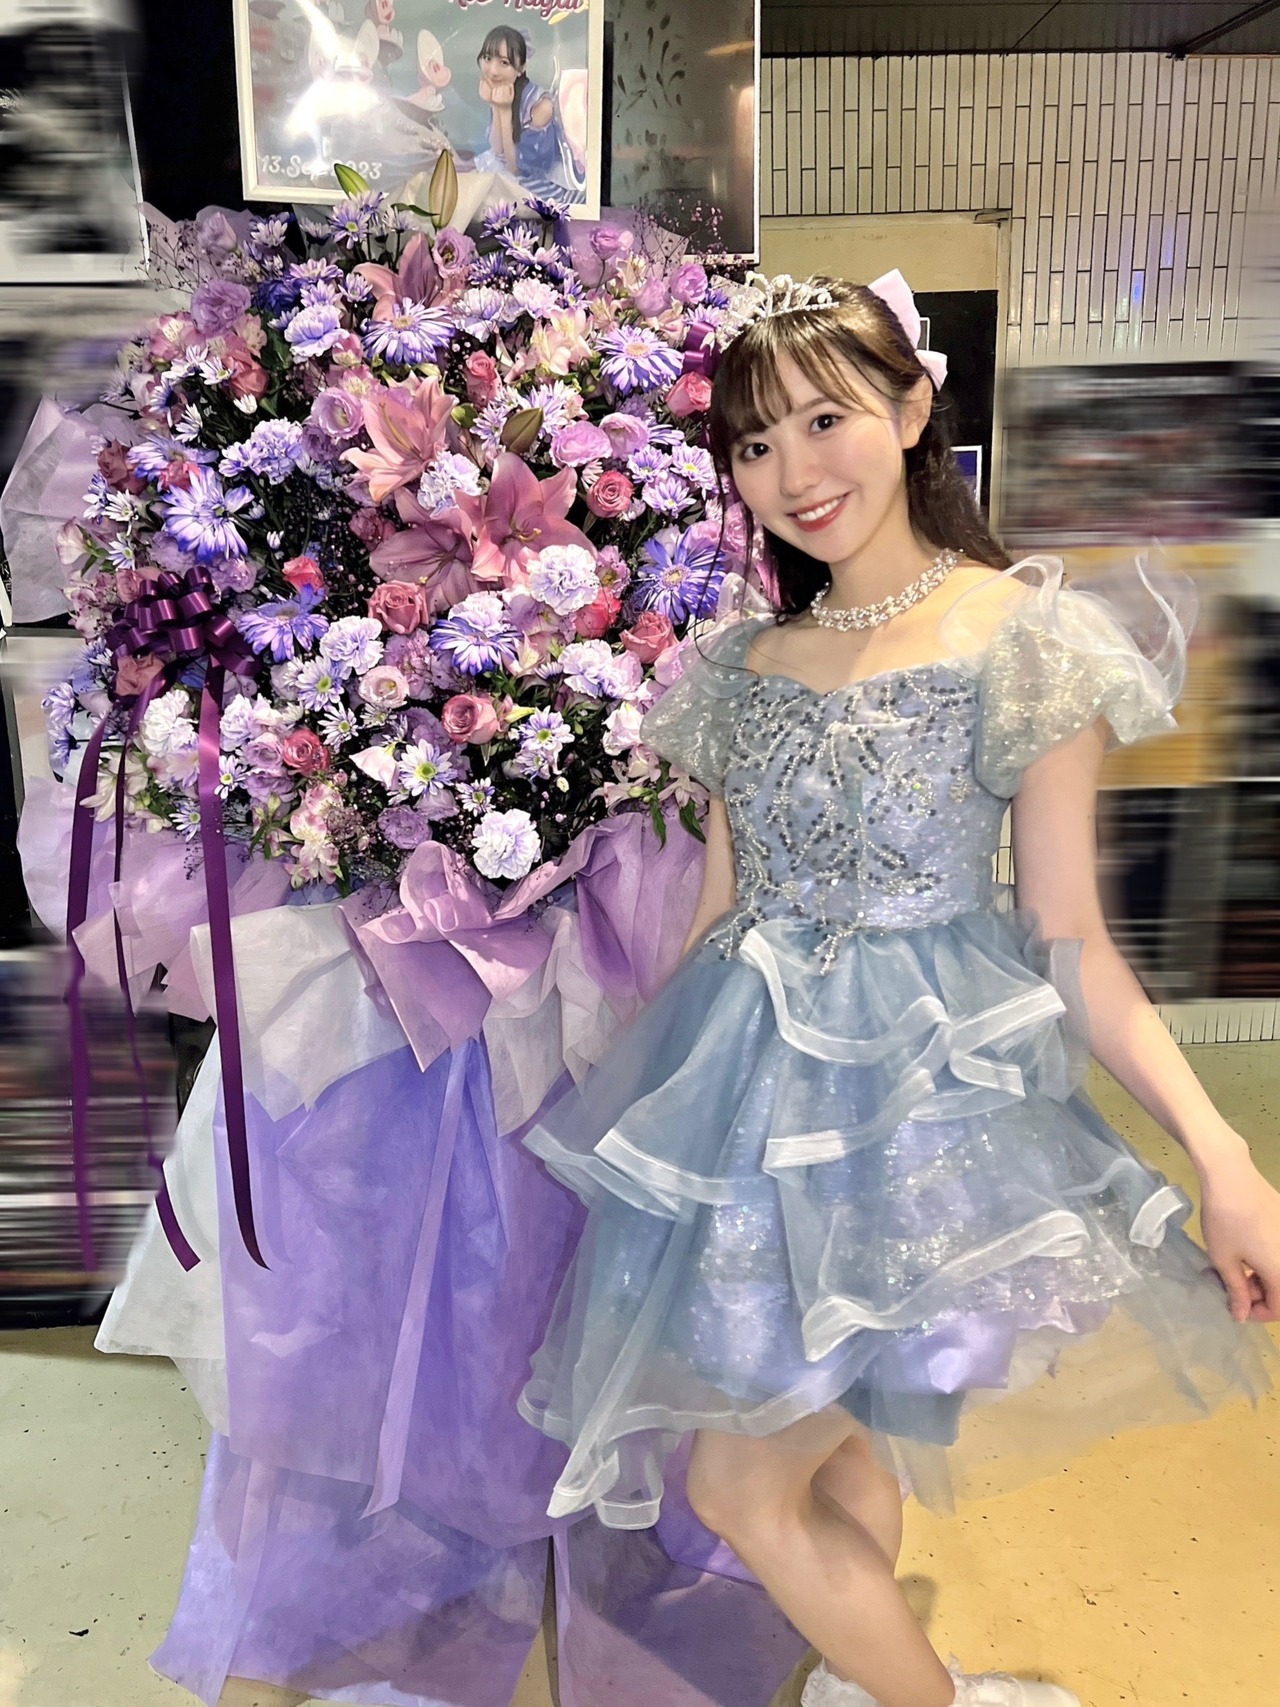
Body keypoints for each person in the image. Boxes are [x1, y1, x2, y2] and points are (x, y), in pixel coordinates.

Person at [516, 271, 1280, 1707]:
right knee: (847, 1444)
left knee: (740, 1483)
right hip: (749, 1112)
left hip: (927, 1123)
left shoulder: (1021, 635)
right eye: (754, 442)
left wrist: (1220, 1152)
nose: (793, 471)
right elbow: (720, 913)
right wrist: (654, 1116)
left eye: (826, 419)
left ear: (915, 408)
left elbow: (1069, 934)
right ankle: (870, 1676)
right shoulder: (739, 664)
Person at [475, 25, 583, 203]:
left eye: (504, 63)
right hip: (515, 175)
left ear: (521, 68)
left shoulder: (541, 106)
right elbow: (497, 149)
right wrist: (496, 105)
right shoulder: (505, 90)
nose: (493, 71)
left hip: (542, 184)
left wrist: (505, 110)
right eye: (487, 58)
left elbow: (517, 167)